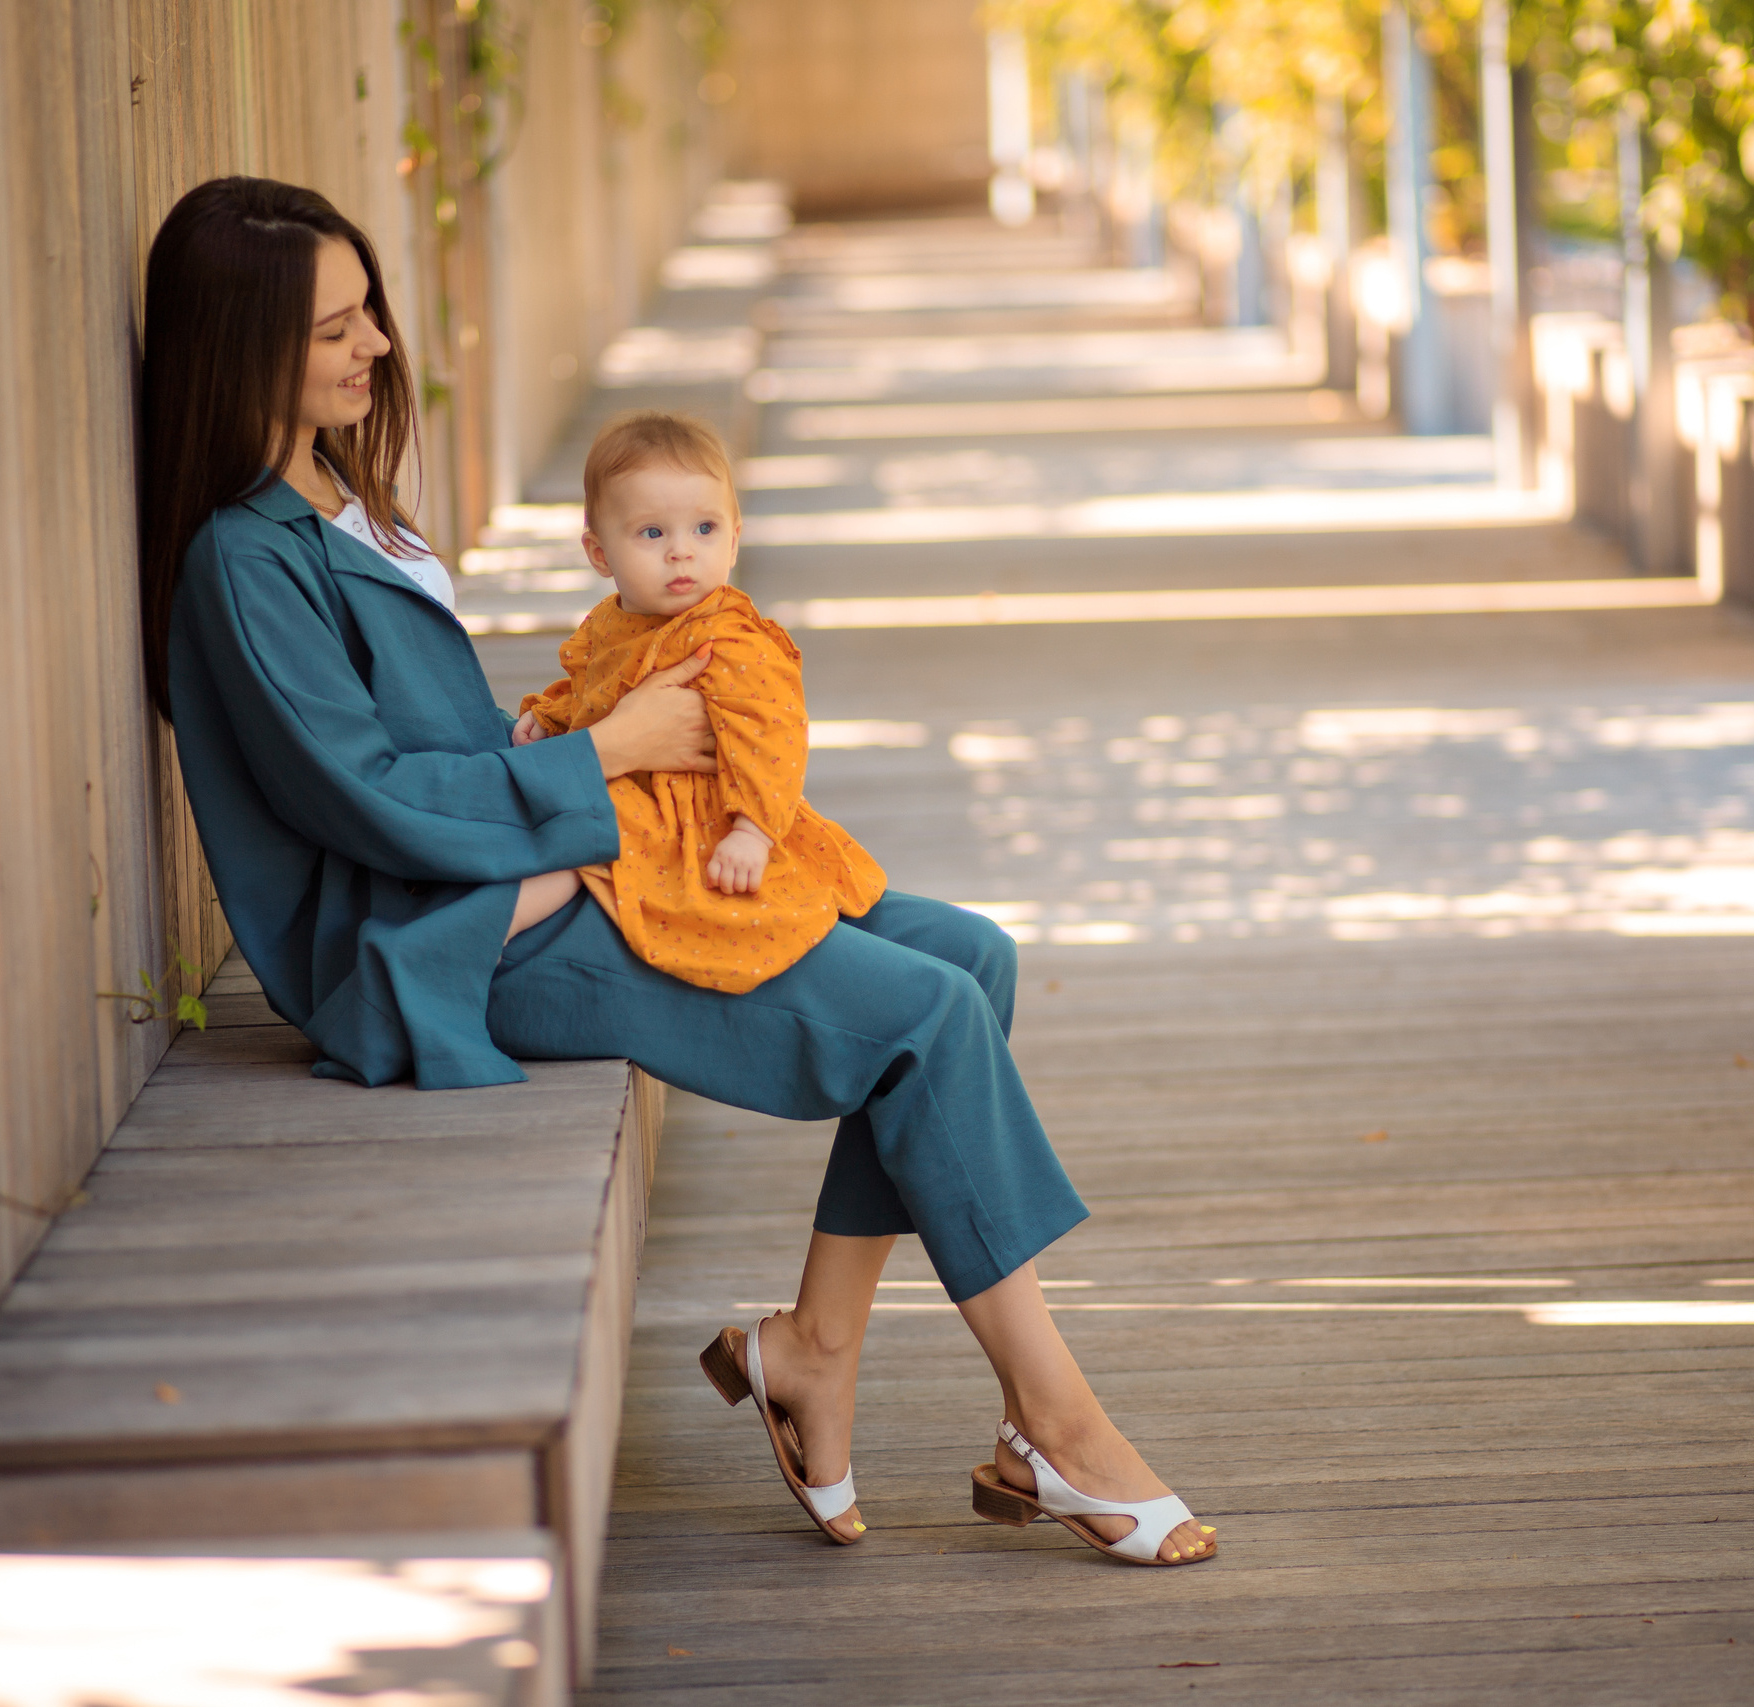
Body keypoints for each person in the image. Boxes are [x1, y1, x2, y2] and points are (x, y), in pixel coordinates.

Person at [137, 175, 1216, 1567]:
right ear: (242, 351)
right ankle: (1057, 1423)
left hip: (558, 849)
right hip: (463, 930)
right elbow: (375, 801)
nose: (379, 348)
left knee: (972, 957)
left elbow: (439, 737)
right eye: (338, 328)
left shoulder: (337, 493)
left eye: (370, 313)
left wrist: (578, 736)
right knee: (926, 1019)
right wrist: (617, 748)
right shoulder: (244, 561)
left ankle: (815, 1350)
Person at [510, 410, 884, 995]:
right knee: (566, 825)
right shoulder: (612, 620)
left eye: (704, 530)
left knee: (578, 837)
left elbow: (773, 736)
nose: (681, 552)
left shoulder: (730, 640)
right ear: (600, 553)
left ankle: (485, 937)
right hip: (631, 787)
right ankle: (488, 931)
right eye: (652, 533)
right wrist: (551, 715)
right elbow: (594, 684)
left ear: (734, 539)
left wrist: (753, 833)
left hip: (704, 813)